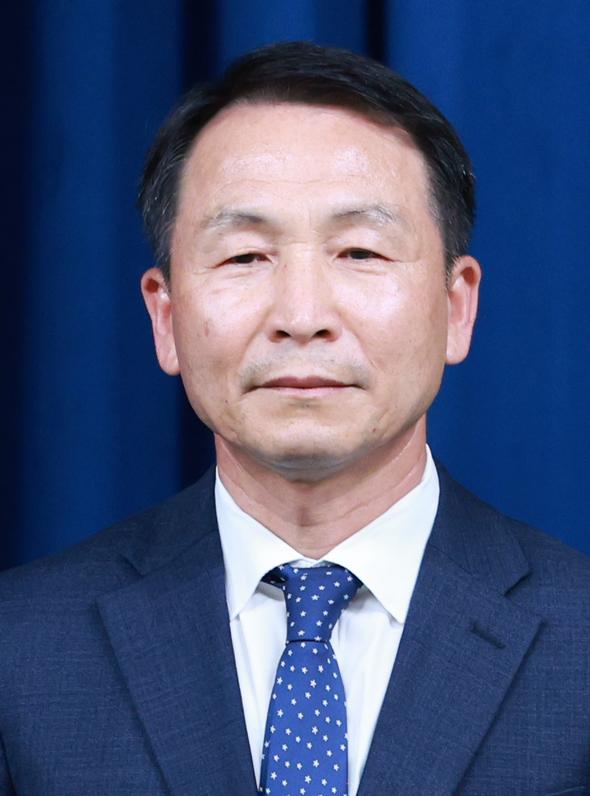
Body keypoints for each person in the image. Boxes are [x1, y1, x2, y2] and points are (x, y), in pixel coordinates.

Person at [0, 41, 588, 796]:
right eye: (245, 257)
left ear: (456, 307)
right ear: (166, 317)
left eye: (360, 252)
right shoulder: (22, 649)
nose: (303, 316)